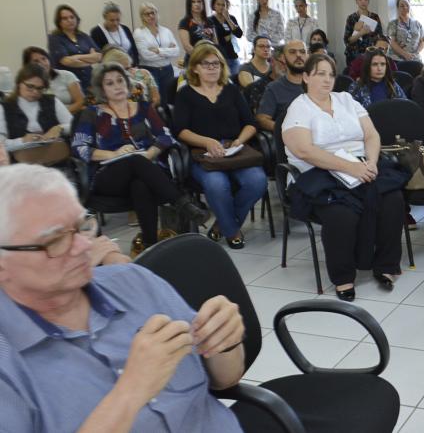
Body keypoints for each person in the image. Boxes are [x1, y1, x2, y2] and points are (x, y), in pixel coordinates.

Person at [0, 164, 246, 432]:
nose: (85, 246)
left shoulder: (134, 281)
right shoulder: (9, 364)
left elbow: (225, 379)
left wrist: (225, 342)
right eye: (56, 239)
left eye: (83, 226)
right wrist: (132, 390)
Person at [283, 54, 405, 301]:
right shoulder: (299, 107)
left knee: (392, 199)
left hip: (360, 164)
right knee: (342, 213)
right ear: (306, 77)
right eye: (319, 74)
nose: (327, 80)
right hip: (318, 174)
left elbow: (371, 135)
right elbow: (304, 150)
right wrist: (351, 169)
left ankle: (386, 265)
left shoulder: (346, 99)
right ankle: (343, 277)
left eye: (330, 74)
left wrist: (370, 162)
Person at [71, 62, 209, 255]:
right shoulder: (92, 113)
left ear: (128, 83)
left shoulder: (144, 108)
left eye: (120, 81)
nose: (117, 86)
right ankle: (182, 203)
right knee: (134, 162)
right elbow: (79, 147)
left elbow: (165, 135)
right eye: (110, 83)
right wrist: (115, 154)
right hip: (108, 176)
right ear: (102, 89)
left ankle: (149, 246)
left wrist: (149, 154)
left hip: (147, 171)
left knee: (140, 183)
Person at [173, 43, 267, 250]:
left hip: (235, 150)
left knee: (257, 181)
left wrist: (239, 141)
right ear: (195, 68)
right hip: (203, 154)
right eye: (206, 64)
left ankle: (220, 225)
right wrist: (206, 141)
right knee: (217, 185)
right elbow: (180, 130)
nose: (212, 68)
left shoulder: (231, 91)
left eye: (216, 63)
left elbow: (250, 123)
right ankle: (232, 231)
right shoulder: (185, 94)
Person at [0, 64, 71, 154]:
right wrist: (22, 140)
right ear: (19, 83)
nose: (35, 92)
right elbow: (1, 144)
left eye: (40, 88)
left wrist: (60, 128)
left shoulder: (52, 101)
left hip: (54, 156)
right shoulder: (4, 107)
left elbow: (73, 125)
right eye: (30, 86)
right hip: (20, 162)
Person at [47, 4, 101, 91]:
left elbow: (98, 57)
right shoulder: (55, 38)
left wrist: (77, 57)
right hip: (68, 86)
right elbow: (67, 61)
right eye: (65, 18)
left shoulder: (84, 36)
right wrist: (90, 60)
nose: (70, 20)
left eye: (72, 17)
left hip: (89, 82)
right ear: (59, 22)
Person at [256, 40, 306, 132]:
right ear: (283, 58)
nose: (299, 55)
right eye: (292, 52)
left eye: (302, 52)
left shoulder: (318, 83)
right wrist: (285, 129)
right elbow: (262, 119)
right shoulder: (274, 88)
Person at [133, 2, 180, 97]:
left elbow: (176, 51)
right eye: (147, 14)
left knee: (169, 98)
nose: (151, 16)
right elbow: (146, 56)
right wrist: (168, 51)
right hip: (150, 70)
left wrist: (159, 51)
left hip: (167, 70)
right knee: (154, 99)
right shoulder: (139, 33)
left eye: (153, 13)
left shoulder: (166, 31)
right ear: (142, 16)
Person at [23, 46, 84, 114]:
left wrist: (61, 115)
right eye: (36, 61)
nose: (42, 63)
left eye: (44, 59)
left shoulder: (67, 75)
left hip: (72, 116)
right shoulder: (27, 84)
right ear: (28, 65)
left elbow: (80, 102)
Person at [90, 2, 140, 66]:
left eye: (118, 20)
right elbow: (99, 55)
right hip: (110, 68)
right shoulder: (96, 32)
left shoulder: (125, 29)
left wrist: (135, 65)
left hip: (130, 66)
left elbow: (134, 50)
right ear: (105, 18)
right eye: (112, 20)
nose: (115, 23)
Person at [343, 0, 384, 65]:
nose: (363, 1)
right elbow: (347, 41)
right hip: (353, 56)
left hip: (371, 56)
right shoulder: (351, 18)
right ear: (356, 1)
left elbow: (380, 38)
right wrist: (361, 33)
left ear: (368, 1)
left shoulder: (375, 17)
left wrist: (372, 34)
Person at [178, 0, 216, 67]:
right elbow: (187, 46)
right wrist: (203, 59)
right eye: (193, 2)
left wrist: (213, 58)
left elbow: (215, 42)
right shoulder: (184, 22)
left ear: (203, 3)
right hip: (194, 61)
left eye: (199, 1)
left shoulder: (209, 21)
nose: (197, 4)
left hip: (211, 60)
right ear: (189, 5)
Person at [209, 0, 243, 77]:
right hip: (219, 58)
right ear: (214, 6)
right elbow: (213, 41)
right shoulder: (210, 20)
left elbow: (239, 34)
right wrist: (227, 37)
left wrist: (227, 18)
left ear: (227, 6)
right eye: (218, 4)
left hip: (232, 56)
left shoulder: (231, 18)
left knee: (235, 81)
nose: (221, 7)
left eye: (223, 5)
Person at [386, 0, 424, 66]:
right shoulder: (393, 23)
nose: (405, 7)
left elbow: (423, 41)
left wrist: (416, 53)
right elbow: (392, 42)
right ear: (398, 8)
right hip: (397, 60)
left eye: (407, 5)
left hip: (415, 59)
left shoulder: (417, 23)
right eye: (402, 6)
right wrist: (405, 54)